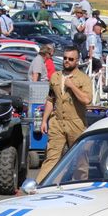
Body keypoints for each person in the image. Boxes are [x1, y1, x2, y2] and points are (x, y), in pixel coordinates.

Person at [36, 47, 93, 182]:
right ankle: (41, 186)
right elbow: (50, 99)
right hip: (57, 121)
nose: (67, 61)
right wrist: (44, 120)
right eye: (65, 58)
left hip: (76, 122)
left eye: (71, 59)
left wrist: (72, 86)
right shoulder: (55, 76)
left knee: (81, 159)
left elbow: (87, 100)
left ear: (77, 61)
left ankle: (79, 186)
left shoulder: (83, 79)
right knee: (52, 157)